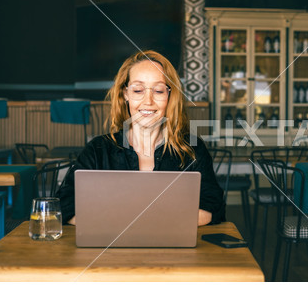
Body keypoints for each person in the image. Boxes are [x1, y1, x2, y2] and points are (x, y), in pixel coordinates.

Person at [57, 50, 225, 226]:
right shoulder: (98, 149)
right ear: (125, 94)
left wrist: (134, 223)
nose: (148, 101)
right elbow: (64, 205)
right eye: (138, 90)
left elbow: (214, 207)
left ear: (170, 96)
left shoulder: (192, 149)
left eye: (159, 91)